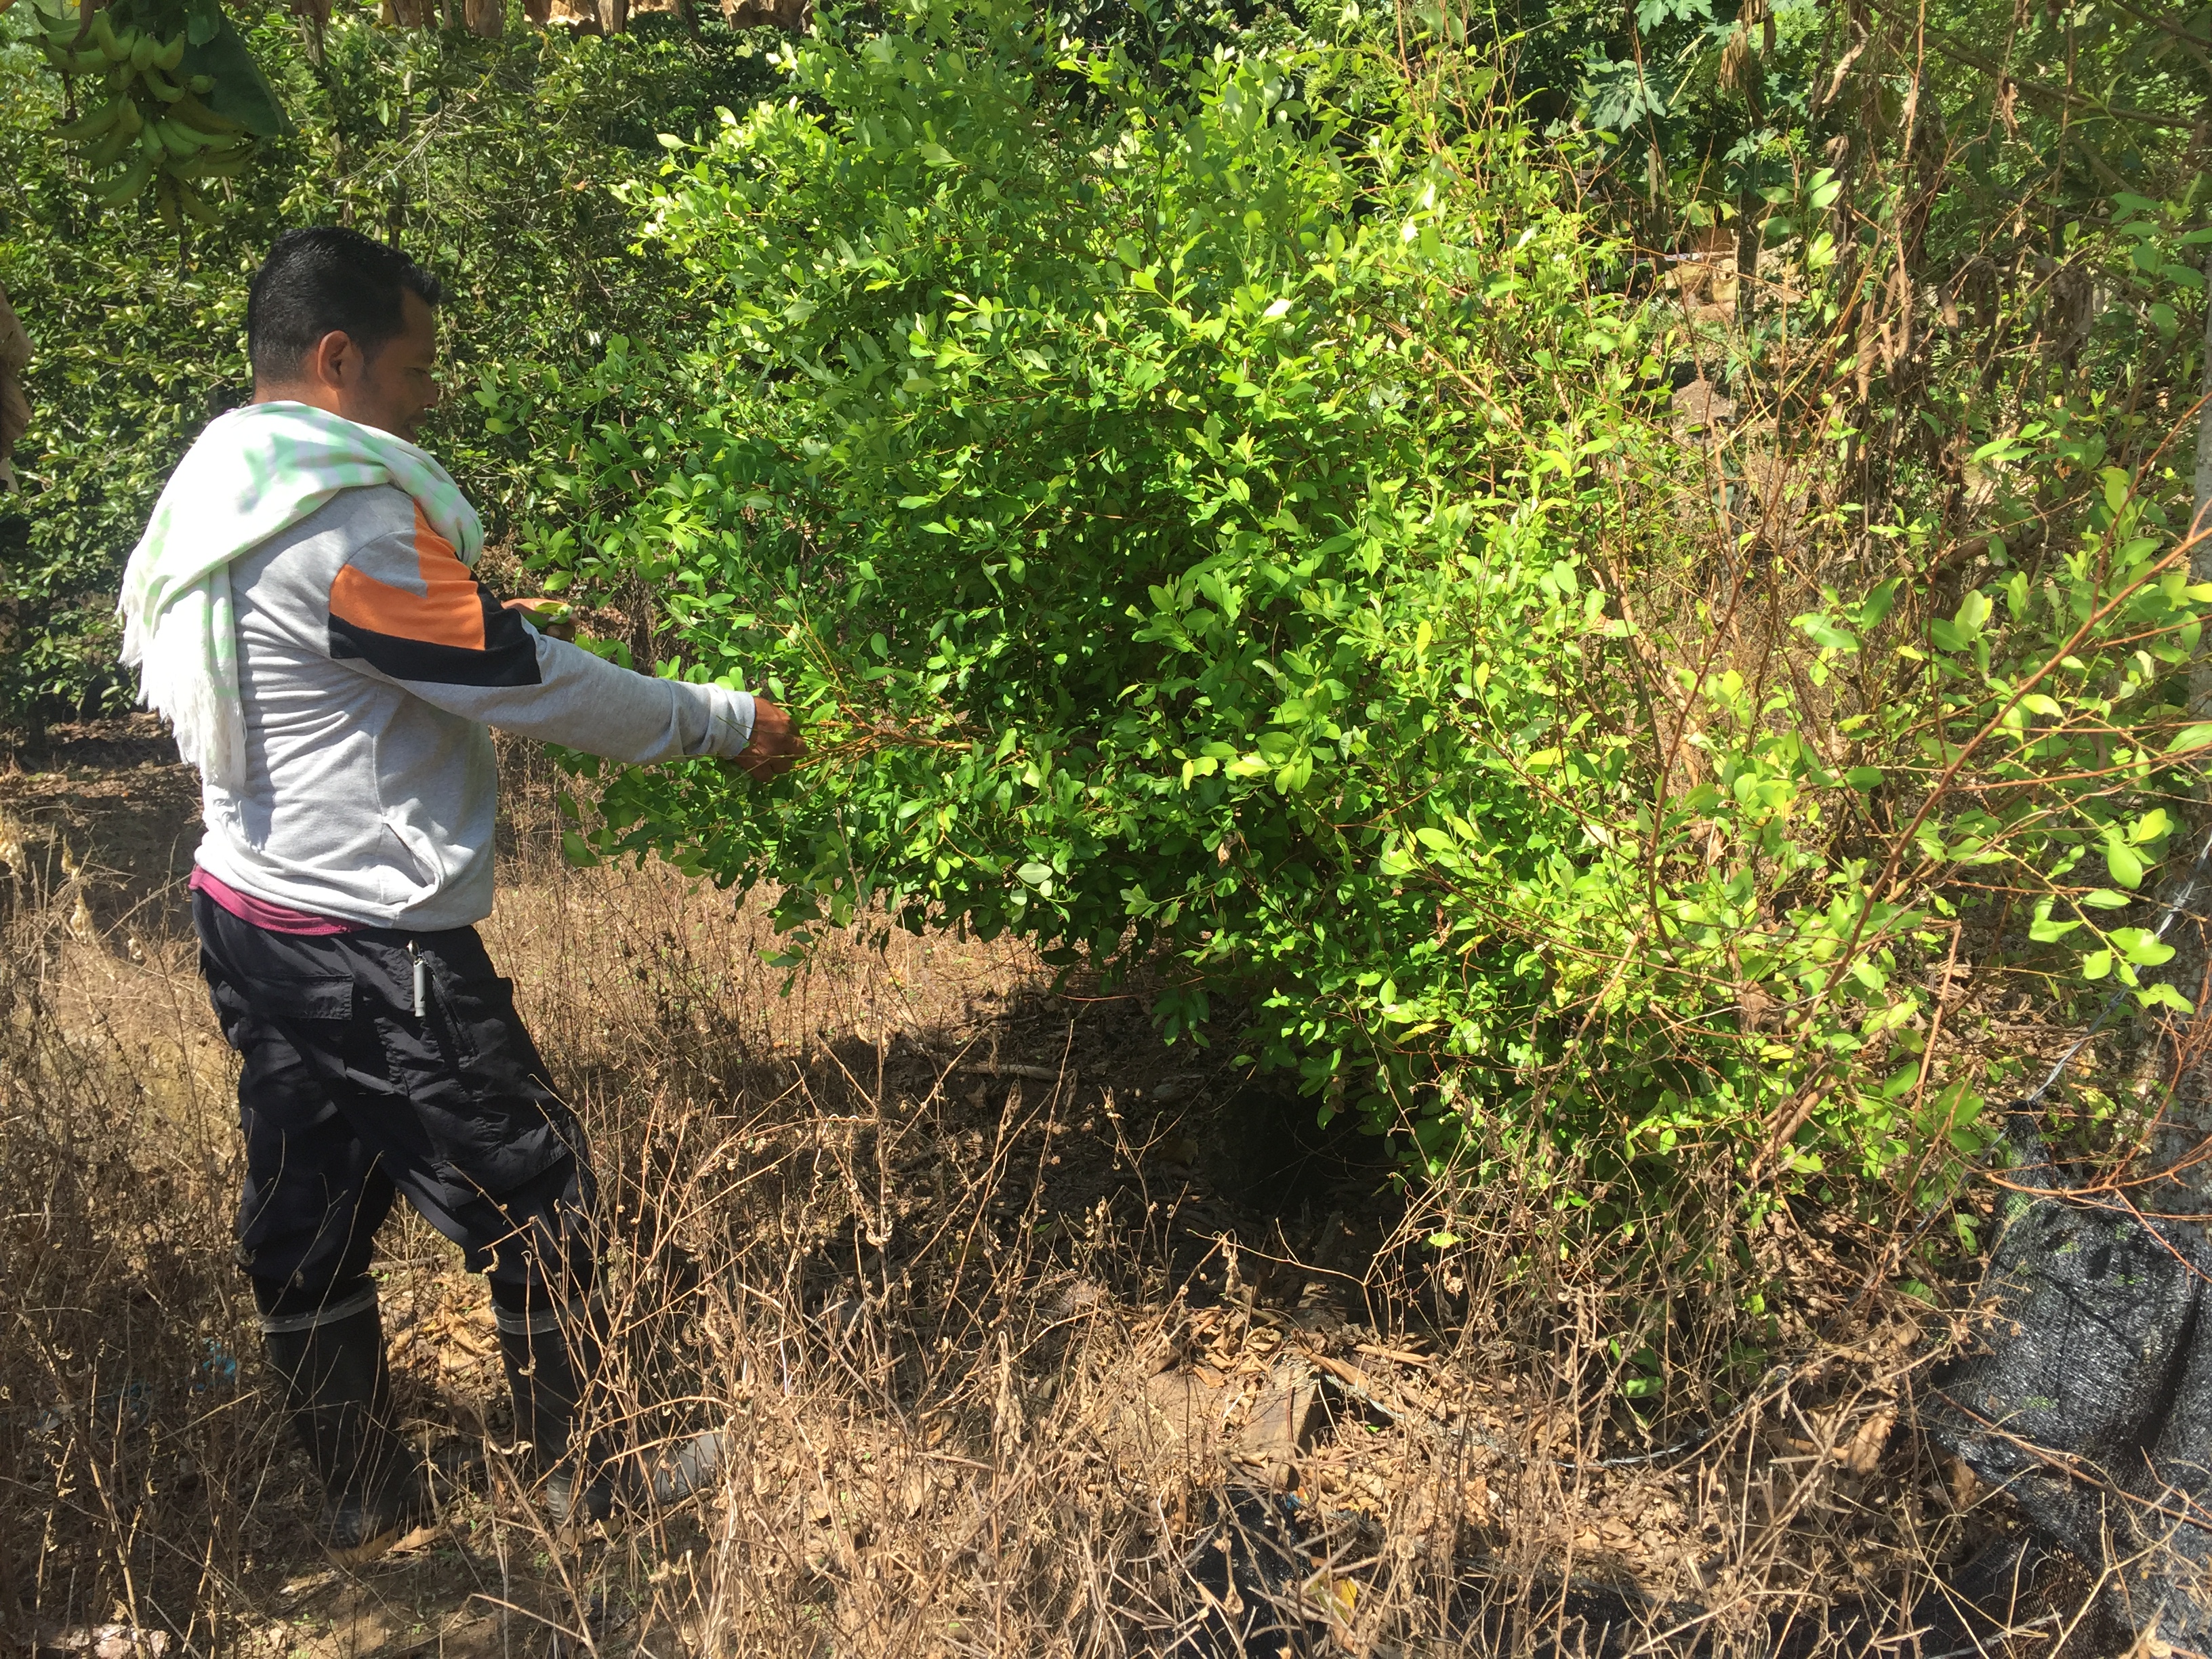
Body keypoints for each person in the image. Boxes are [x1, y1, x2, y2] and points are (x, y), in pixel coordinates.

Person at [115, 226, 804, 1565]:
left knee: (304, 1214)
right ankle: (588, 1485)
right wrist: (723, 722)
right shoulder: (344, 522)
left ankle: (362, 1500)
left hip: (249, 907)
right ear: (336, 357)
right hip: (370, 940)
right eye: (415, 370)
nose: (429, 398)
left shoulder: (220, 484)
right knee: (541, 1203)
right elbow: (516, 675)